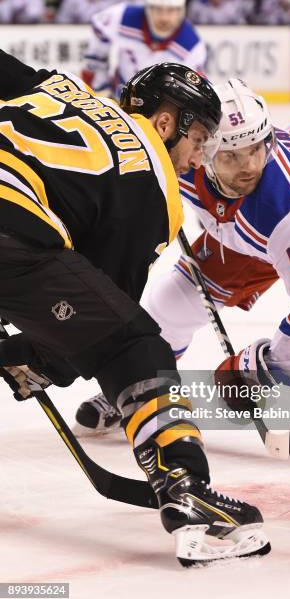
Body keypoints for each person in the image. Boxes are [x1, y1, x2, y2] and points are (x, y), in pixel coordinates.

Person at [0, 52, 270, 566]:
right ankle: (184, 483)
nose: (198, 161)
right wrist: (38, 360)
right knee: (137, 344)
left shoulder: (62, 90)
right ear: (166, 122)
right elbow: (106, 324)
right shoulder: (155, 184)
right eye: (198, 142)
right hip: (11, 229)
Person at [74, 78, 290, 431]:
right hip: (248, 232)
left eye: (256, 148)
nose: (249, 165)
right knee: (169, 306)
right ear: (203, 151)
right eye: (232, 155)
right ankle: (140, 388)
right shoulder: (187, 158)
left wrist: (263, 372)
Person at [81, 0, 206, 100]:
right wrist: (100, 84)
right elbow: (99, 28)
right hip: (116, 96)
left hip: (157, 111)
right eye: (158, 9)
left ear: (181, 11)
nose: (164, 18)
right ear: (148, 9)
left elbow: (196, 89)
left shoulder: (191, 46)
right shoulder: (125, 16)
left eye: (171, 10)